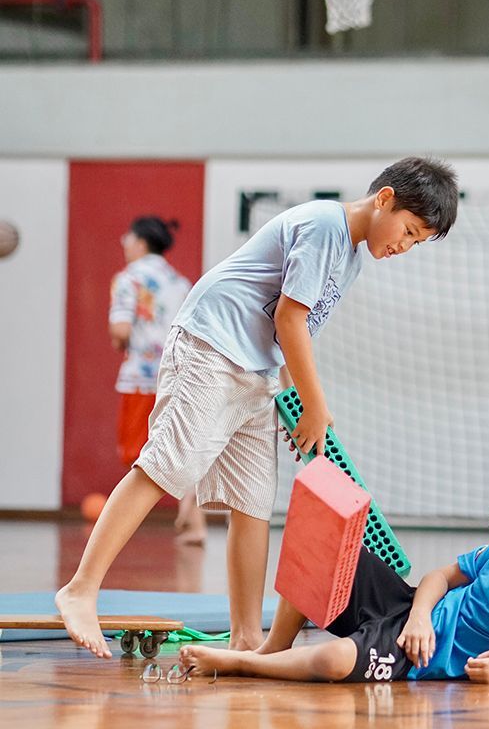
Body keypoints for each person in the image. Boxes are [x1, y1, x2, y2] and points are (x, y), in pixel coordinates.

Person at [56, 156, 459, 659]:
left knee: (251, 505)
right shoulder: (324, 227)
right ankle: (80, 588)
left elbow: (297, 333)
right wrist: (315, 406)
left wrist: (295, 405)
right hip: (212, 348)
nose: (405, 245)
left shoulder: (351, 255)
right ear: (385, 200)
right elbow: (288, 320)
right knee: (166, 468)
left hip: (258, 372)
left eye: (417, 242)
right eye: (410, 230)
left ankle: (248, 637)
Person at [176, 466, 489, 685]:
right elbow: (439, 578)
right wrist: (419, 616)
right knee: (326, 555)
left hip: (414, 658)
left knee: (334, 660)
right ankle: (270, 650)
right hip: (409, 613)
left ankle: (246, 667)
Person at [110, 216, 207, 544]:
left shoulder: (128, 279)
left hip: (142, 377)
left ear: (140, 242)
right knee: (177, 447)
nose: (124, 242)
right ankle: (194, 521)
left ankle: (118, 529)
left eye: (127, 236)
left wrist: (120, 341)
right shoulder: (181, 282)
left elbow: (121, 330)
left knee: (137, 453)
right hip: (179, 376)